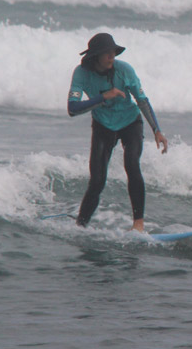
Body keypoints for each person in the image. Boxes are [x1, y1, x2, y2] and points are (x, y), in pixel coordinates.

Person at [67, 33, 168, 232]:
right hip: (103, 125)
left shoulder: (124, 70)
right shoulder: (81, 73)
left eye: (113, 51)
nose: (112, 56)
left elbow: (142, 100)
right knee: (97, 180)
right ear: (96, 56)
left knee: (131, 164)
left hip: (130, 123)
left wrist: (157, 130)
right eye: (107, 53)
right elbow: (72, 108)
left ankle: (138, 224)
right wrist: (103, 97)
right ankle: (80, 225)